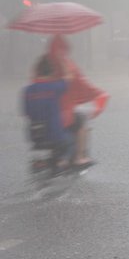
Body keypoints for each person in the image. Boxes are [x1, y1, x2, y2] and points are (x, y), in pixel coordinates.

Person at [46, 35, 108, 167]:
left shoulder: (45, 64)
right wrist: (99, 94)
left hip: (44, 114)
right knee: (81, 120)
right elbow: (82, 83)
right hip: (64, 112)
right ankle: (80, 157)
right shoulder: (68, 65)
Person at [23, 56, 72, 172]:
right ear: (52, 72)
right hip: (56, 135)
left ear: (36, 72)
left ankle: (42, 163)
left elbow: (27, 113)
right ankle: (63, 163)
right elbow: (69, 78)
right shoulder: (55, 87)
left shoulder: (28, 90)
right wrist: (63, 62)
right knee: (69, 142)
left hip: (36, 136)